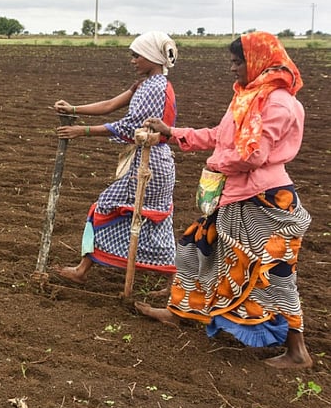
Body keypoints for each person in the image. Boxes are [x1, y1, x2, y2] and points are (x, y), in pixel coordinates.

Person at [136, 32, 312, 369]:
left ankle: (297, 351)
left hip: (265, 201)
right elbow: (220, 135)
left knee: (274, 272)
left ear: (259, 61)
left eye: (237, 62)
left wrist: (215, 164)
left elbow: (253, 155)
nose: (232, 68)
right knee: (194, 247)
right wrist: (173, 133)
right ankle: (179, 312)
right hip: (238, 196)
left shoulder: (276, 103)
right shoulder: (247, 97)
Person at [54, 31, 178, 285]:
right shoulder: (146, 85)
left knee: (106, 208)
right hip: (152, 162)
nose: (133, 61)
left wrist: (83, 131)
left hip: (149, 163)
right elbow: (110, 104)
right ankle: (174, 283)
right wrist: (74, 109)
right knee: (151, 219)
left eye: (137, 56)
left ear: (152, 57)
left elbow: (131, 126)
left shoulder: (154, 88)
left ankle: (82, 270)